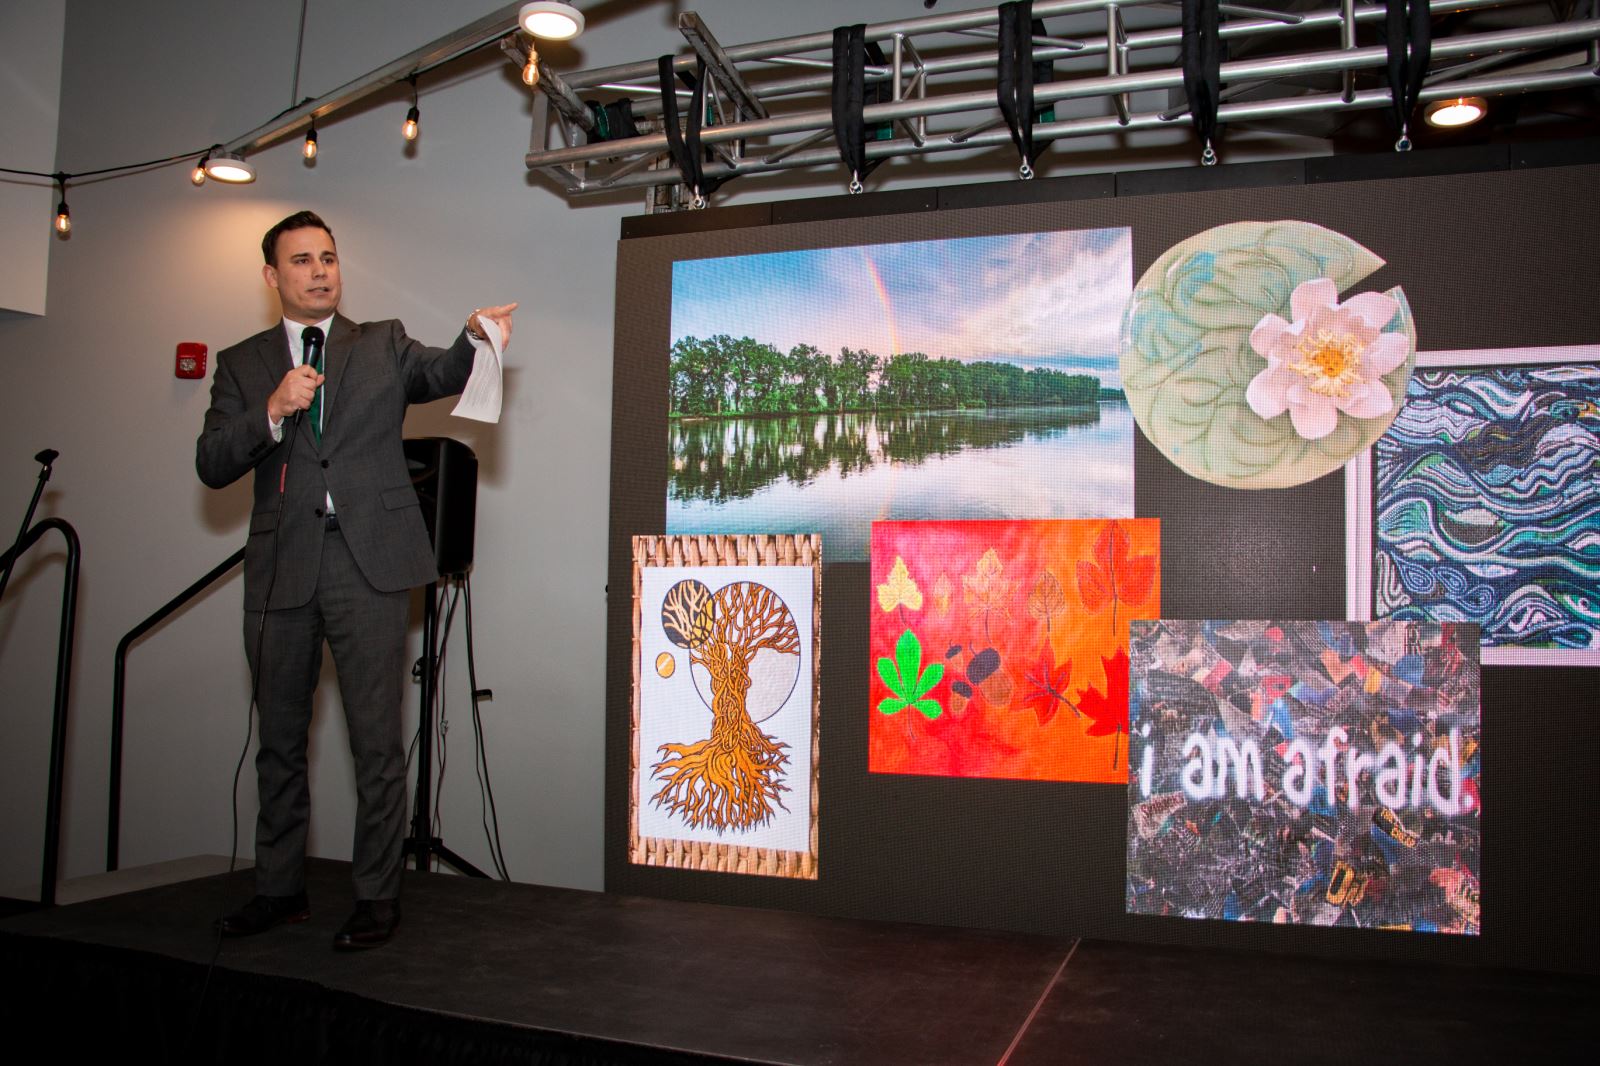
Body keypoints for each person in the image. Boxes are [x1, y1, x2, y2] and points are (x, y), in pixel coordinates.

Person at [196, 210, 514, 949]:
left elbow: (441, 372)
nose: (319, 271)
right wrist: (270, 412)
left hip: (366, 562)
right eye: (301, 260)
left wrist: (476, 337)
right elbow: (212, 461)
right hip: (282, 568)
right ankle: (279, 890)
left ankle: (376, 896)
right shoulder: (243, 364)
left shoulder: (381, 343)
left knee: (376, 742)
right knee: (278, 742)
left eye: (329, 258)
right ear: (273, 277)